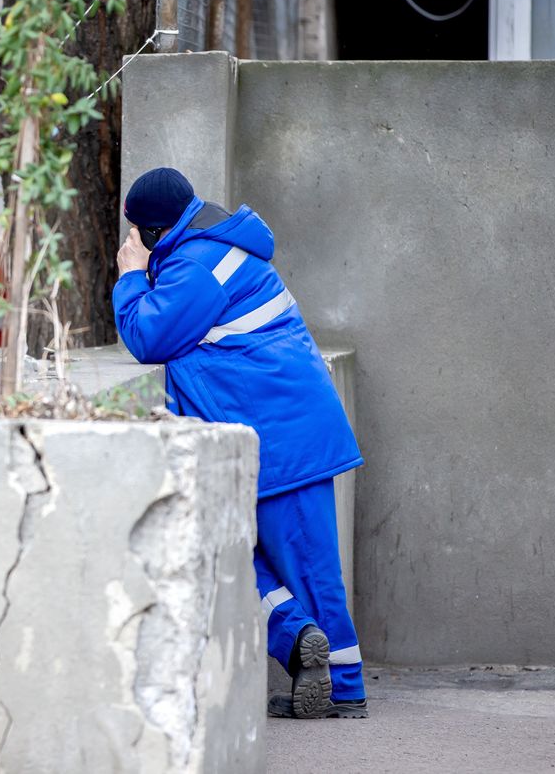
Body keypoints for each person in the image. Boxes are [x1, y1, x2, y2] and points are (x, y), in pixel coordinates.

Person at [112, 166, 368, 720]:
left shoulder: (199, 266)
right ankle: (300, 639)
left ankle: (344, 689)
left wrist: (131, 275)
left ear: (154, 232)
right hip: (271, 425)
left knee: (307, 568)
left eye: (137, 234)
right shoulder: (207, 248)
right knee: (235, 554)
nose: (133, 243)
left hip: (280, 437)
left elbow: (147, 336)